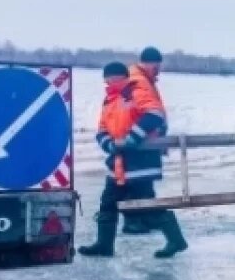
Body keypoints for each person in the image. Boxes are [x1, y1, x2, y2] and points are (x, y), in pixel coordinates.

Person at [78, 60, 188, 259]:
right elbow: (102, 129)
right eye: (108, 79)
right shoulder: (109, 100)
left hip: (140, 164)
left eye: (115, 78)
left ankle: (176, 240)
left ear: (124, 78)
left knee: (145, 207)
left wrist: (132, 137)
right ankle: (104, 245)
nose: (111, 82)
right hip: (118, 164)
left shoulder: (136, 92)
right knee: (108, 204)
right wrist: (108, 144)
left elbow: (155, 114)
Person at [121, 47, 169, 237]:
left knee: (143, 182)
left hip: (142, 142)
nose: (158, 70)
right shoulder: (140, 82)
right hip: (139, 143)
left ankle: (146, 218)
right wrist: (135, 136)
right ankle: (133, 222)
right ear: (148, 63)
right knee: (136, 182)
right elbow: (151, 113)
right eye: (156, 66)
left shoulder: (142, 79)